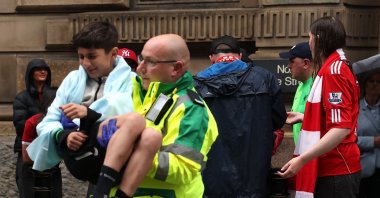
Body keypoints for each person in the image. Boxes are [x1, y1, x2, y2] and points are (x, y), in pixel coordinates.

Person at [93, 33, 218, 198]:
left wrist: (131, 155)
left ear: (176, 68)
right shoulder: (129, 89)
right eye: (141, 58)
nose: (139, 68)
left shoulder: (191, 109)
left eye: (151, 62)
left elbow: (184, 168)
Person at [26, 21, 135, 186]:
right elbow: (49, 120)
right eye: (81, 56)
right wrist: (63, 136)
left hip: (121, 172)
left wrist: (89, 115)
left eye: (92, 56)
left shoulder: (134, 82)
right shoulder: (72, 80)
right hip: (81, 165)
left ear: (113, 53)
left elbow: (137, 119)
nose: (85, 63)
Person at [193, 35, 287, 198]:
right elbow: (278, 119)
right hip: (253, 174)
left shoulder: (196, 84)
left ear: (211, 58)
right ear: (240, 55)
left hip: (211, 175)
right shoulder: (264, 78)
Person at [278, 16, 361, 198]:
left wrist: (303, 159)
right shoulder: (335, 67)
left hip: (336, 169)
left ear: (319, 39)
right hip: (335, 168)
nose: (309, 44)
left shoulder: (334, 71)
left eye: (310, 38)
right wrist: (304, 117)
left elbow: (340, 127)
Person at [12, 58, 54, 197]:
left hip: (49, 148)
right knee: (27, 188)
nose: (43, 71)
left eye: (45, 69)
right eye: (38, 69)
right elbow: (20, 125)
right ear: (31, 73)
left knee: (50, 189)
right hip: (27, 148)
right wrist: (44, 124)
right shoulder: (22, 98)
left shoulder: (54, 96)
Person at [22, 89, 62, 198]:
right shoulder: (32, 122)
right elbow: (26, 157)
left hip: (53, 173)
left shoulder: (63, 122)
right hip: (32, 174)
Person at [353, 55, 380, 198]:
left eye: (378, 82)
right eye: (371, 81)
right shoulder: (355, 109)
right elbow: (349, 138)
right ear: (365, 84)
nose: (375, 84)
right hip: (363, 170)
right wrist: (373, 142)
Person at [279, 42, 314, 144]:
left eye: (292, 61)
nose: (288, 66)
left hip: (315, 154)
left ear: (306, 63)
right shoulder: (301, 84)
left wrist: (303, 118)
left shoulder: (318, 85)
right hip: (302, 152)